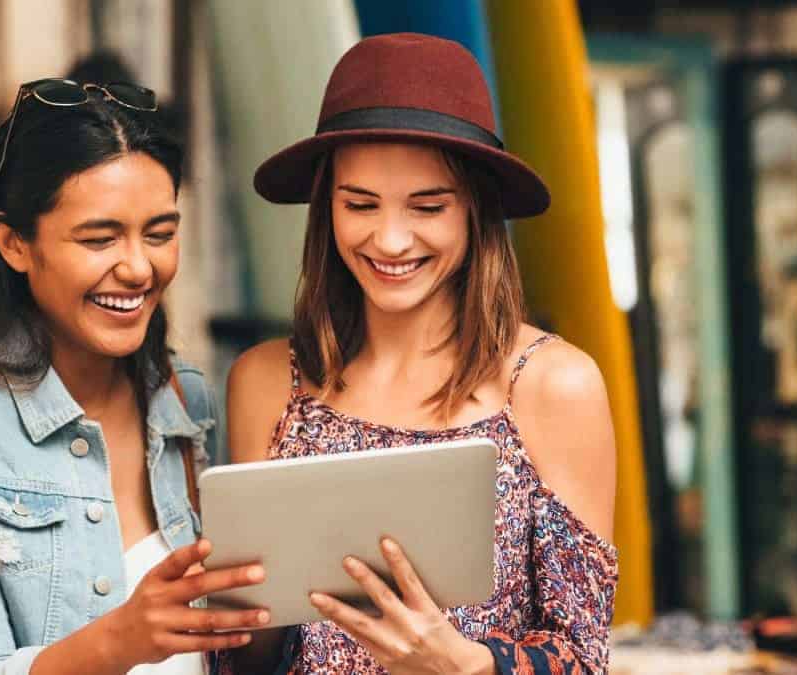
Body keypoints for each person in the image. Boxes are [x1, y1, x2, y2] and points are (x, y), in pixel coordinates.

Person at [223, 33, 618, 674]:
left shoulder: (552, 384)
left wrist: (469, 665)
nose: (391, 239)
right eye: (359, 205)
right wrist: (226, 609)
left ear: (474, 212)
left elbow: (583, 657)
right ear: (326, 210)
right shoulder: (268, 381)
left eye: (428, 206)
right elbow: (251, 658)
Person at [0, 78, 268, 675]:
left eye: (160, 233)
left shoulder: (183, 395)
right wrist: (120, 639)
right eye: (99, 238)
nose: (138, 267)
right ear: (14, 243)